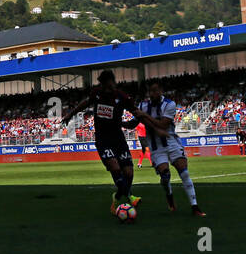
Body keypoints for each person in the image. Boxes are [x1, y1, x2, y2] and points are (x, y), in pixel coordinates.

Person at [61, 70, 150, 211]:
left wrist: (130, 124)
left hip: (119, 139)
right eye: (101, 83)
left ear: (110, 82)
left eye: (104, 83)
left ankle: (117, 197)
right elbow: (84, 104)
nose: (102, 86)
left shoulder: (122, 97)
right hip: (103, 139)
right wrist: (69, 115)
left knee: (128, 173)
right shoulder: (97, 93)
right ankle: (131, 197)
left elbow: (136, 113)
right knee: (115, 167)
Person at [138, 82, 205, 216]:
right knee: (165, 176)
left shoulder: (169, 104)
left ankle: (195, 206)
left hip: (171, 141)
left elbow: (163, 124)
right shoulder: (142, 105)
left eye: (156, 90)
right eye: (151, 91)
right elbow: (135, 121)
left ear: (161, 91)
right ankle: (169, 194)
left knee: (184, 172)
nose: (153, 94)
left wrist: (144, 116)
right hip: (156, 146)